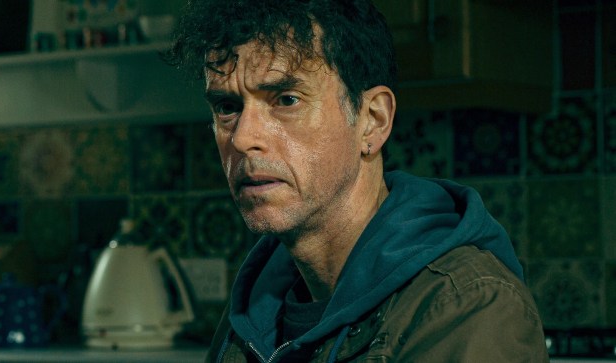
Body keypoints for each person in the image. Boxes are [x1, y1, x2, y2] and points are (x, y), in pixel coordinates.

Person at [166, 0, 549, 361]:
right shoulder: (254, 306)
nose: (243, 138)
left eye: (286, 100)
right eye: (227, 107)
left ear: (373, 121)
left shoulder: (465, 304)